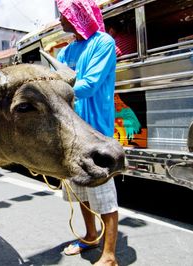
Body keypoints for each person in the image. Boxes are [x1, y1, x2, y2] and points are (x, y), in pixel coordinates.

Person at [55, 0, 119, 265]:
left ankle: (110, 255)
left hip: (95, 131)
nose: (61, 21)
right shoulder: (64, 52)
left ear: (79, 15)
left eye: (65, 15)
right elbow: (55, 82)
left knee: (103, 194)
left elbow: (90, 85)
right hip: (71, 132)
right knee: (80, 189)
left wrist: (56, 87)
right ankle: (91, 235)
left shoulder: (102, 43)